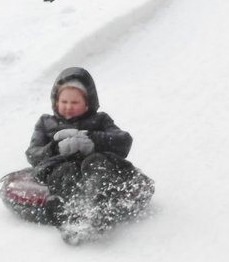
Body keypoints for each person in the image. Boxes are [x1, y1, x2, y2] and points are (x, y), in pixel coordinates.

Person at [25, 67, 153, 242]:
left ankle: (96, 205)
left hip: (92, 163)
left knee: (96, 162)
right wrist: (55, 148)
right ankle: (70, 215)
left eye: (75, 103)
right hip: (61, 165)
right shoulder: (46, 123)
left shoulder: (100, 120)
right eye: (64, 101)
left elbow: (123, 141)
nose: (68, 107)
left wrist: (92, 140)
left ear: (87, 103)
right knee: (64, 170)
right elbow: (33, 153)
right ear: (55, 101)